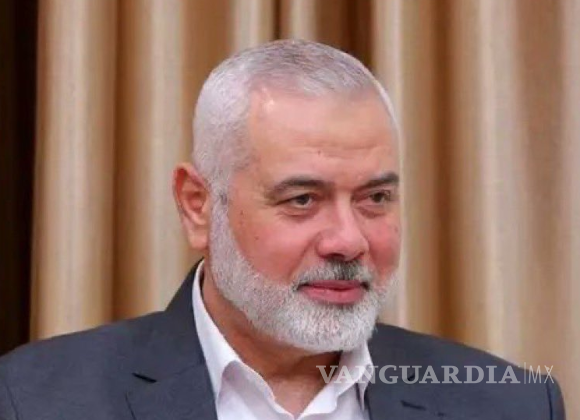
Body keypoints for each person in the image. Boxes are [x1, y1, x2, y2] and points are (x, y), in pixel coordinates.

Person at [0, 39, 565, 420]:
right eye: (302, 200)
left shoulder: (509, 404)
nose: (348, 240)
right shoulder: (33, 400)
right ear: (198, 206)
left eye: (375, 198)